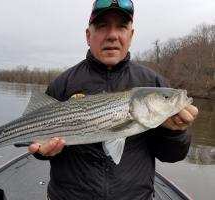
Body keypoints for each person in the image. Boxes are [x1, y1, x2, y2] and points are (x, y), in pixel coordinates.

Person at [29, 0, 199, 199]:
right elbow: (34, 137)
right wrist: (42, 152)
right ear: (88, 35)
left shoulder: (153, 82)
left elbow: (172, 156)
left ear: (131, 35)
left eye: (121, 27)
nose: (112, 35)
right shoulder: (63, 83)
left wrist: (174, 133)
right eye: (102, 27)